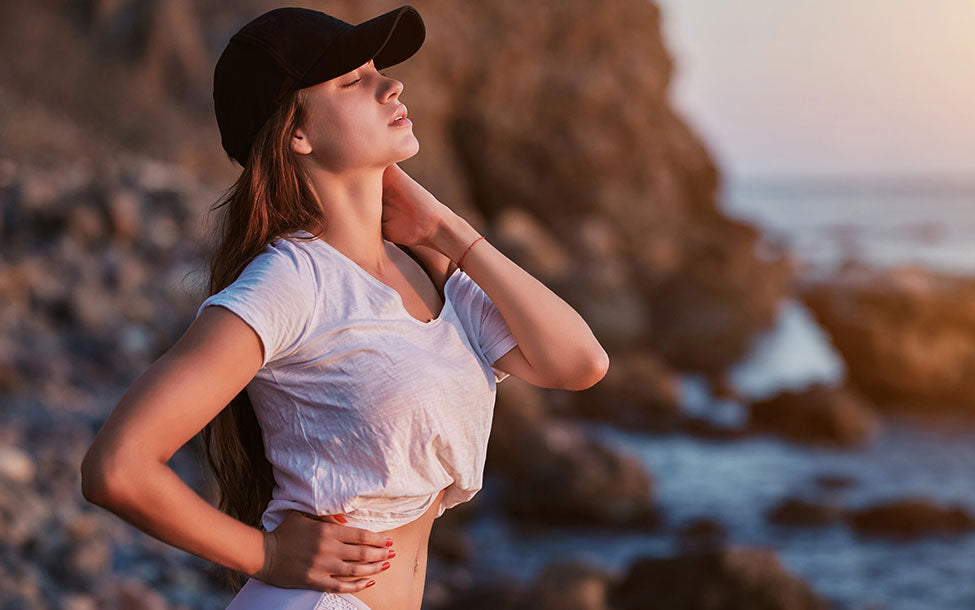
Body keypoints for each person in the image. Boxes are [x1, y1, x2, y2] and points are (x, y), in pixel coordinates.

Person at [79, 5, 609, 610]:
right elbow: (118, 467)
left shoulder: (424, 268)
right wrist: (269, 556)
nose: (392, 85)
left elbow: (580, 362)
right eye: (354, 81)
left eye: (379, 70)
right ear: (295, 133)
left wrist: (445, 230)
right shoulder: (292, 281)